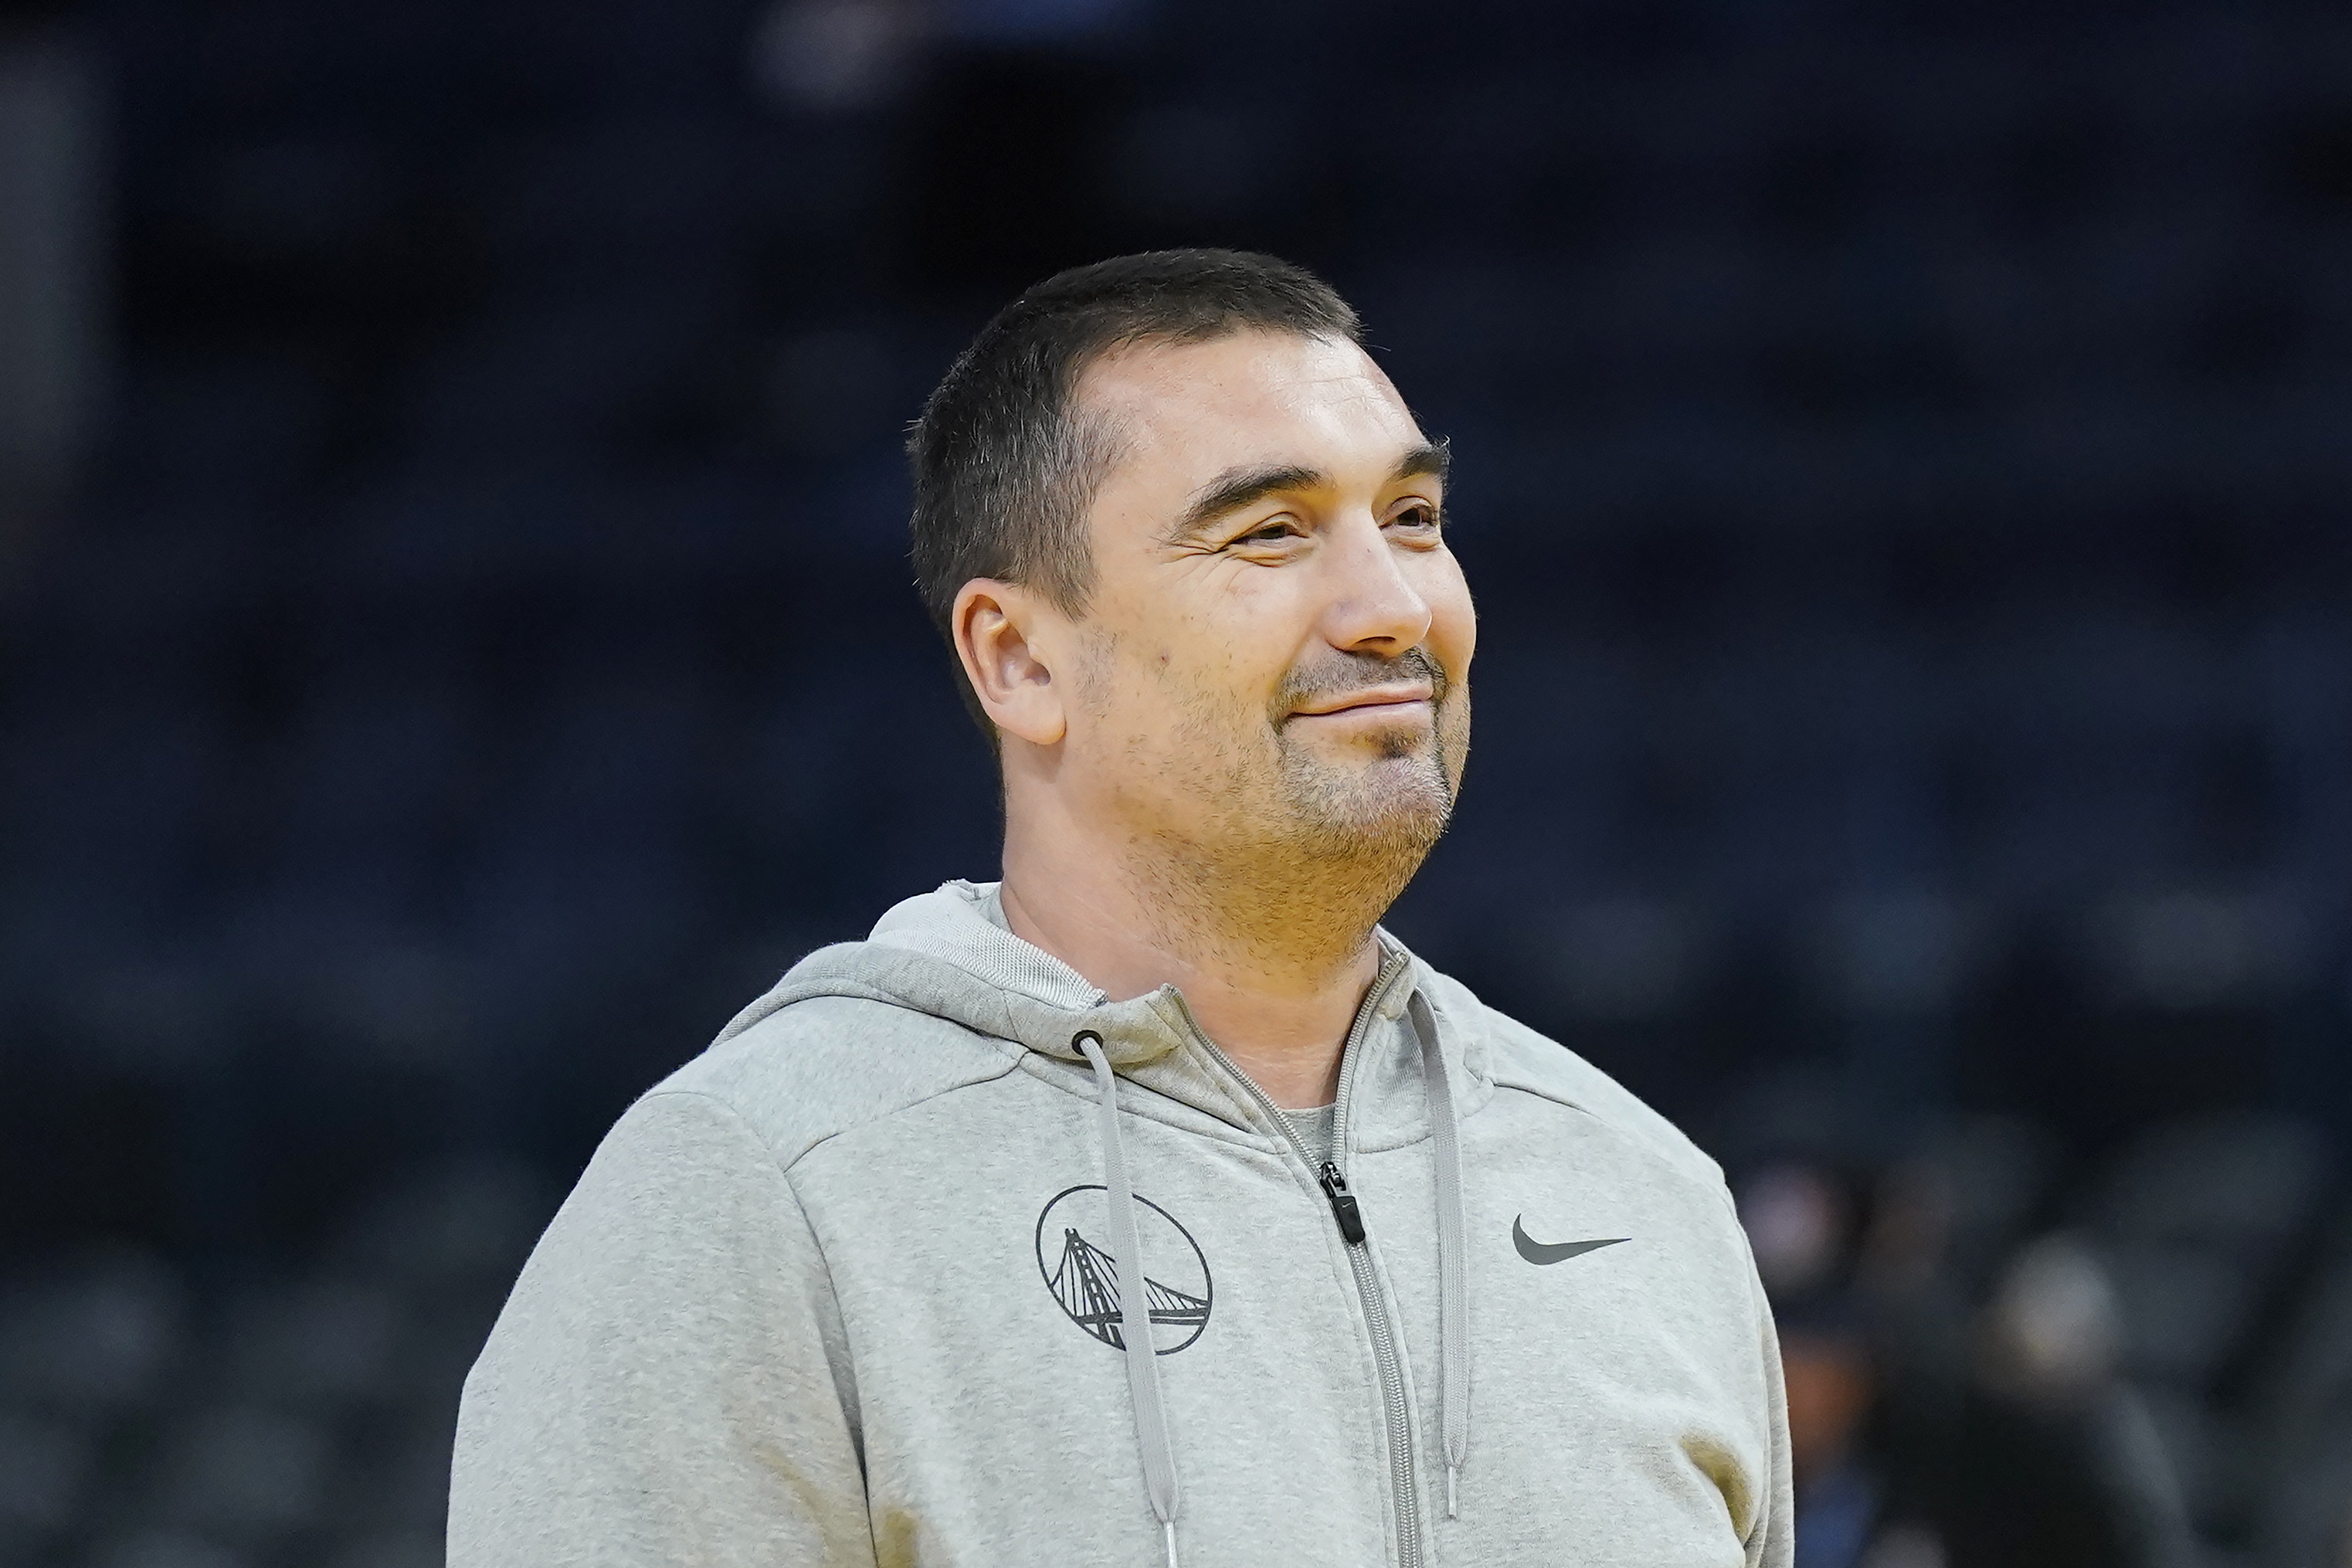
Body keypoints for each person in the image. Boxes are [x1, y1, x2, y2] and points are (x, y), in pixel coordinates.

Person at [447, 249, 1793, 1567]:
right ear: (1021, 658)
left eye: (1413, 519)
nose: (1392, 607)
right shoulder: (762, 1188)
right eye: (1268, 531)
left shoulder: (1640, 1188)